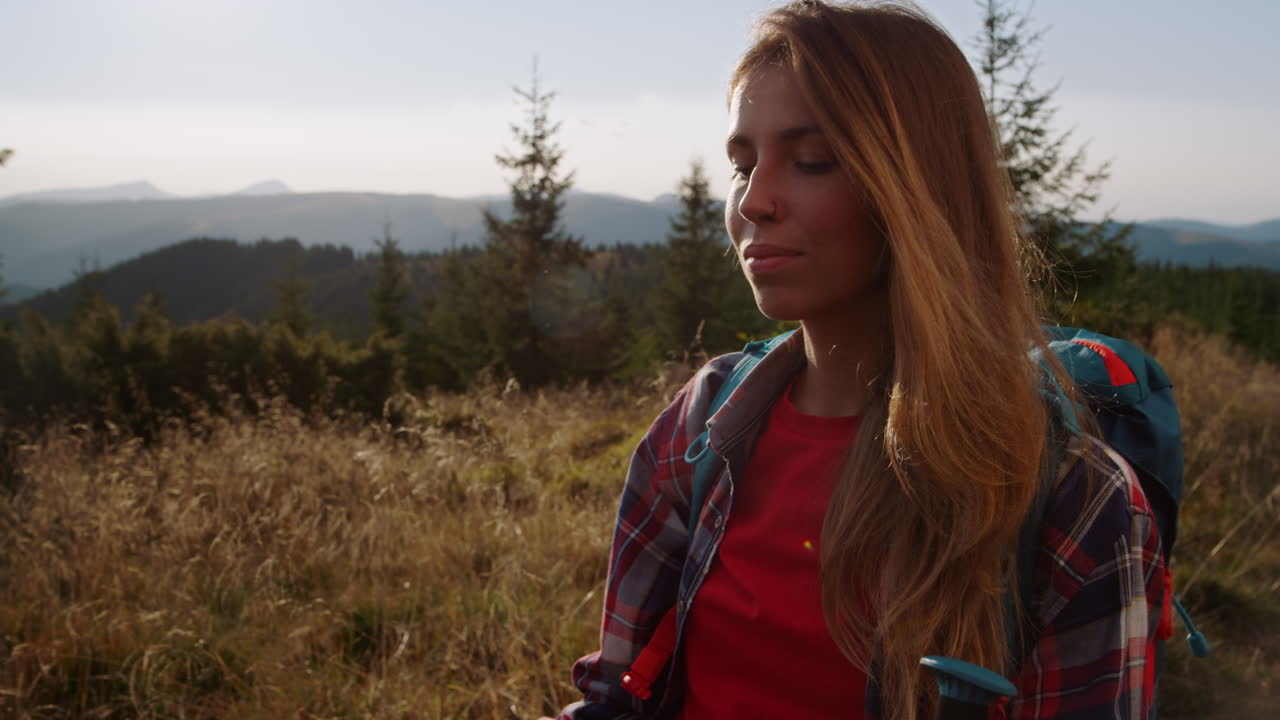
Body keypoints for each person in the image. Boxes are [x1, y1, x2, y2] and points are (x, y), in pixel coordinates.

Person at [546, 2, 1166, 719]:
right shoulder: (704, 422)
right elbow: (617, 694)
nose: (754, 201)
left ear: (918, 185)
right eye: (741, 165)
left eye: (812, 160)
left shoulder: (1071, 498)